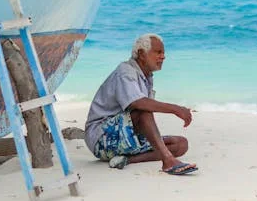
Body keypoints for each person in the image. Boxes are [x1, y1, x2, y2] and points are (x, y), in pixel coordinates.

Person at [84, 33, 198, 175]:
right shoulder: (125, 72)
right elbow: (138, 103)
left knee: (181, 145)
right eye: (158, 52)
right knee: (143, 109)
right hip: (101, 138)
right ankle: (168, 161)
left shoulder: (146, 76)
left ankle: (126, 159)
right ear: (141, 54)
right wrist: (175, 109)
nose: (163, 57)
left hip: (125, 136)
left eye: (163, 53)